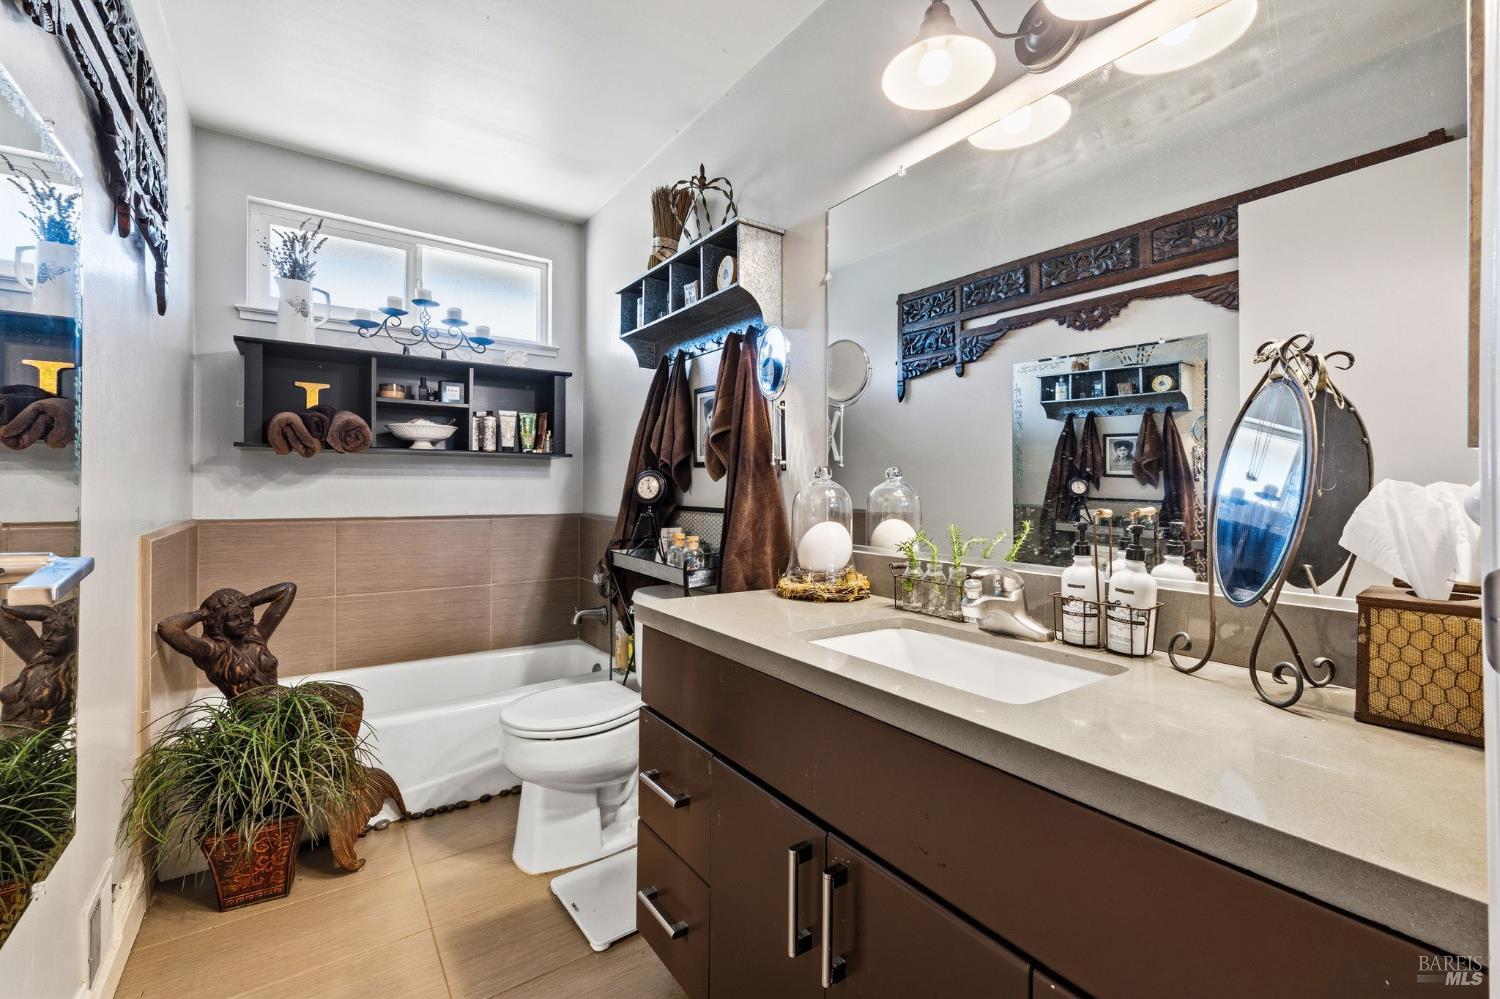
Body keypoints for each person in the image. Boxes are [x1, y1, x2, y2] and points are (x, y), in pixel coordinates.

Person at [156, 582, 297, 699]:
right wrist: (204, 613)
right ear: (218, 621)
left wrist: (245, 602)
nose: (243, 622)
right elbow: (168, 628)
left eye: (246, 615)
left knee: (319, 692)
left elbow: (288, 589)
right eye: (234, 618)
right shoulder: (212, 651)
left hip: (280, 701)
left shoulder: (257, 635)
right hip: (255, 714)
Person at [0, 600, 77, 729]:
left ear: (74, 636)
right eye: (45, 631)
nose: (46, 638)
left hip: (32, 746)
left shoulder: (75, 670)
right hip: (8, 743)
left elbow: (91, 598)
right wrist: (46, 613)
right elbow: (2, 612)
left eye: (58, 634)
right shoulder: (38, 659)